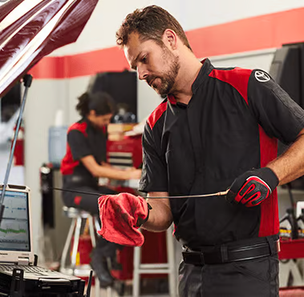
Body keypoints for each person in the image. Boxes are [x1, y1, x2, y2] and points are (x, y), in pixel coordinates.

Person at [97, 5, 304, 297]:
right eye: (136, 67)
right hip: (191, 275)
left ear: (170, 39)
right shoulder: (155, 125)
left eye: (144, 59)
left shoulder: (246, 85)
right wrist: (139, 210)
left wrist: (271, 175)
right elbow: (163, 210)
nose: (141, 73)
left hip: (248, 271)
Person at [60, 91, 141, 288]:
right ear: (92, 113)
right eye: (104, 119)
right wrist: (130, 175)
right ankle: (101, 257)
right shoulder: (76, 132)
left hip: (91, 186)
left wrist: (124, 170)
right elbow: (95, 168)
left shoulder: (100, 130)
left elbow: (103, 163)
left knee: (122, 200)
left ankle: (106, 254)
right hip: (74, 189)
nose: (106, 123)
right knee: (107, 203)